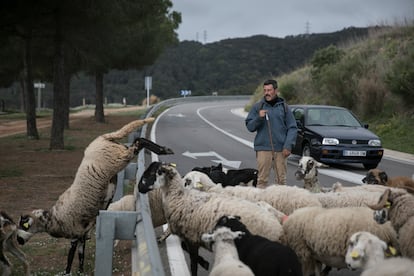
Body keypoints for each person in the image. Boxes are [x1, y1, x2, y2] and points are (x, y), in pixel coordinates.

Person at [245, 79, 297, 188]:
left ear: (276, 90)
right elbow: (250, 127)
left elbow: (292, 128)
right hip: (263, 149)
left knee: (281, 181)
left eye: (269, 90)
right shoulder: (258, 107)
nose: (267, 93)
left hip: (281, 149)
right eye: (265, 90)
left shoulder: (284, 107)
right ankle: (260, 203)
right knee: (262, 180)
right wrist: (259, 118)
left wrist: (288, 146)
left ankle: (280, 203)